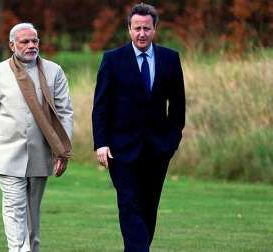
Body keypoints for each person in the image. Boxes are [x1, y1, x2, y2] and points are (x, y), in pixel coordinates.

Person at [92, 3, 185, 251]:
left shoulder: (170, 59)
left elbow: (178, 106)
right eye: (137, 28)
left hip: (158, 149)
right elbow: (101, 106)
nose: (141, 33)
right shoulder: (112, 60)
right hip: (121, 150)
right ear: (129, 30)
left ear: (155, 29)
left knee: (148, 206)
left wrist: (171, 142)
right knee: (128, 203)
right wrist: (100, 143)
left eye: (146, 28)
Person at [0, 23, 73, 252]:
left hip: (42, 152)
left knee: (32, 210)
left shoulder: (54, 71)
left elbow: (65, 112)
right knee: (14, 207)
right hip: (7, 153)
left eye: (35, 41)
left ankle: (32, 248)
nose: (32, 45)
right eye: (25, 42)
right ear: (12, 45)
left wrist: (62, 150)